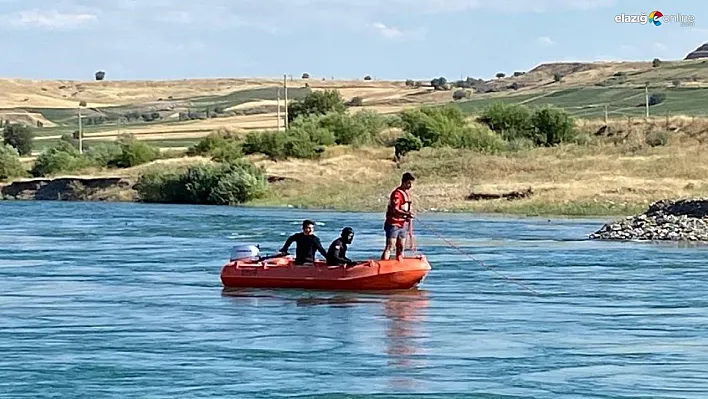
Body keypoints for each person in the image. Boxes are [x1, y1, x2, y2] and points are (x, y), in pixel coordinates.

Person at [381, 172, 415, 261]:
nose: (410, 185)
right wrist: (406, 214)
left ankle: (400, 262)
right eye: (409, 183)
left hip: (403, 223)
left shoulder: (405, 194)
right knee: (391, 245)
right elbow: (395, 209)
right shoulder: (397, 194)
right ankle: (384, 263)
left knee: (401, 246)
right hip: (394, 223)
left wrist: (408, 215)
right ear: (404, 182)